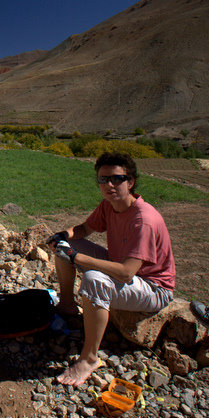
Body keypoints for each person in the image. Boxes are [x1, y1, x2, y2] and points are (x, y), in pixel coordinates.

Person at [47, 152, 175, 386]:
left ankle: (89, 359)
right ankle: (67, 307)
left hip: (153, 287)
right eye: (103, 179)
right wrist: (63, 236)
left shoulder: (143, 219)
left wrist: (78, 259)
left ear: (131, 182)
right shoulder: (110, 206)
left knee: (94, 279)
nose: (109, 185)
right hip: (124, 270)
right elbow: (84, 229)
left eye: (116, 179)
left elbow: (127, 272)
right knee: (65, 246)